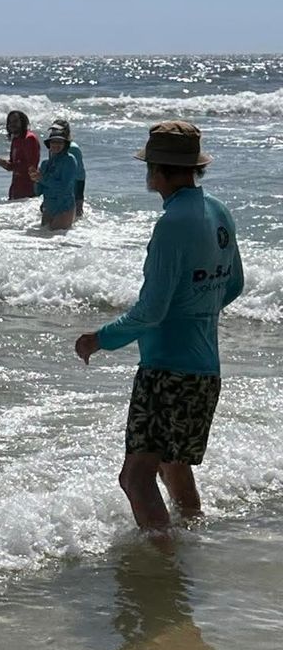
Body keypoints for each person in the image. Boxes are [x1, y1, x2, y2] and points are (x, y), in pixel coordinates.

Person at [75, 122, 242, 533]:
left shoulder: (171, 224)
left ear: (157, 169)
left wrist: (100, 339)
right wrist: (197, 314)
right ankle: (192, 543)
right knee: (174, 466)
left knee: (134, 478)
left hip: (167, 370)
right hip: (206, 370)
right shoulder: (218, 211)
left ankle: (164, 573)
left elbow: (151, 311)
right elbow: (233, 284)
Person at [34, 125, 78, 231]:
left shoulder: (70, 160)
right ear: (49, 144)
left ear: (65, 144)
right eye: (53, 142)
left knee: (57, 241)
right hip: (48, 206)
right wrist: (35, 180)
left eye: (60, 142)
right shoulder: (45, 164)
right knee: (44, 239)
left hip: (64, 206)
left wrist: (42, 179)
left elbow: (64, 187)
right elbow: (38, 192)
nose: (56, 145)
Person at [0, 110, 40, 200]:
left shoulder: (29, 138)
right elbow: (13, 164)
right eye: (10, 122)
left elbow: (30, 166)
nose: (12, 124)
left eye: (15, 121)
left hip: (28, 187)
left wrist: (3, 163)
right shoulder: (16, 139)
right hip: (16, 186)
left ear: (22, 122)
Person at [53, 118, 86, 218]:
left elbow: (79, 173)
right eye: (53, 130)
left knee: (76, 214)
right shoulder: (54, 147)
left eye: (58, 131)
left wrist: (78, 197)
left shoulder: (72, 148)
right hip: (58, 184)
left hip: (75, 183)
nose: (55, 133)